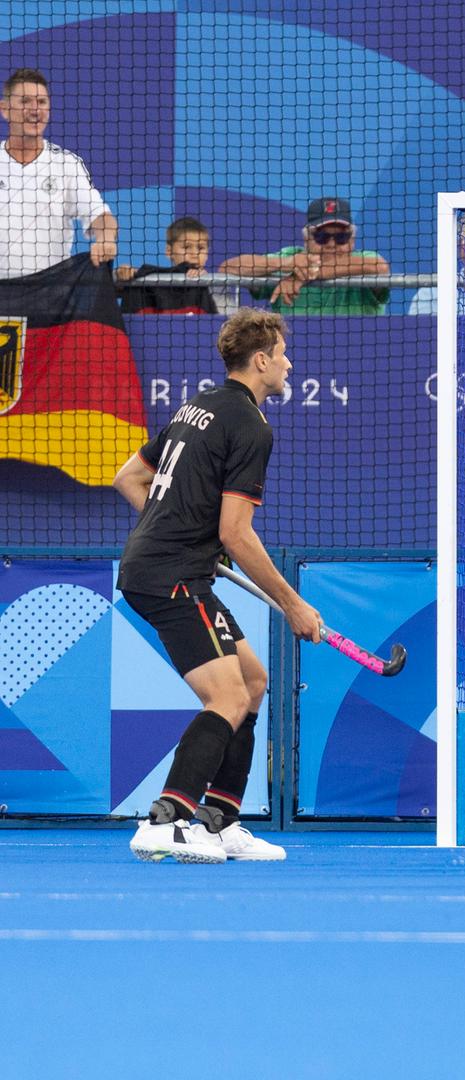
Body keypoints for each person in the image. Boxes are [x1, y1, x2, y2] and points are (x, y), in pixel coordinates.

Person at [112, 310, 323, 863]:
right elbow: (237, 532)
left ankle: (218, 822)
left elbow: (128, 478)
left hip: (172, 568)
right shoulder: (252, 425)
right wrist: (292, 602)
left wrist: (182, 527)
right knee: (225, 696)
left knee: (252, 681)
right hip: (171, 577)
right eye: (281, 354)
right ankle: (165, 819)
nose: (288, 363)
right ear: (261, 361)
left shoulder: (196, 406)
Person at [0, 68, 116, 278]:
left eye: (42, 102)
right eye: (25, 101)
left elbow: (100, 214)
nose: (35, 110)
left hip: (50, 300)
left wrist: (106, 239)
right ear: (5, 109)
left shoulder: (66, 165)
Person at [219, 197, 390, 315]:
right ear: (306, 239)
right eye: (321, 237)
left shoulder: (364, 259)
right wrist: (288, 264)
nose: (331, 244)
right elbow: (228, 268)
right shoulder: (291, 256)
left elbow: (380, 267)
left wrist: (305, 274)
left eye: (341, 238)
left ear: (352, 241)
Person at [118, 217, 223, 315]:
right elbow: (112, 289)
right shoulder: (145, 280)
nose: (194, 254)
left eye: (200, 248)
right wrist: (123, 274)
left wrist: (205, 281)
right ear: (169, 251)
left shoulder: (214, 285)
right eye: (186, 247)